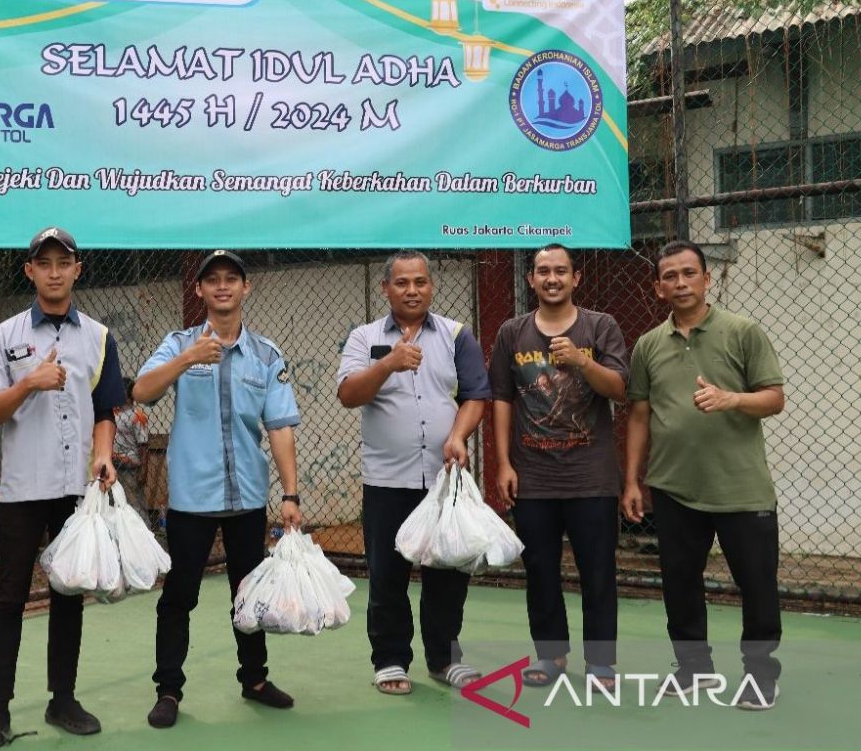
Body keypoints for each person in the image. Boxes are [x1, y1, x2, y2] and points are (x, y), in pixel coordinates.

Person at [0, 227, 126, 746]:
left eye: (65, 262)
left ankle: (63, 699)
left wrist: (102, 453)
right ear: (29, 271)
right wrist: (27, 383)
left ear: (78, 269)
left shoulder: (100, 336)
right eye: (45, 263)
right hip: (22, 487)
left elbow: (106, 410)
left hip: (74, 490)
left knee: (68, 592)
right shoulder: (4, 337)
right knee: (9, 597)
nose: (55, 272)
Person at [134, 249, 303, 729]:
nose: (223, 287)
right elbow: (142, 392)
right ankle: (168, 690)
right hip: (191, 499)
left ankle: (254, 679)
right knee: (179, 596)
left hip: (248, 497)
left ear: (245, 289)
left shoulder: (267, 355)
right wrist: (188, 359)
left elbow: (281, 426)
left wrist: (290, 495)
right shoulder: (179, 343)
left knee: (248, 594)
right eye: (214, 281)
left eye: (232, 279)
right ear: (200, 291)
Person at [622, 240, 786, 710]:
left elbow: (774, 398)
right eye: (670, 276)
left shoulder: (743, 332)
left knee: (757, 586)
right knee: (680, 583)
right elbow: (637, 414)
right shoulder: (648, 345)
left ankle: (759, 677)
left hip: (740, 487)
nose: (680, 283)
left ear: (706, 279)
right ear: (657, 288)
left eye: (689, 273)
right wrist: (632, 480)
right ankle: (694, 669)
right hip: (673, 487)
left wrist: (731, 399)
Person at [336, 249, 491, 696]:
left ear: (431, 286)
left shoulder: (456, 335)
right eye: (401, 283)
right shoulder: (364, 338)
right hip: (387, 480)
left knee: (449, 573)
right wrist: (387, 363)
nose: (412, 290)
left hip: (445, 480)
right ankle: (390, 660)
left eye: (420, 282)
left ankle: (443, 659)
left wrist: (459, 435)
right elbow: (348, 394)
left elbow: (477, 395)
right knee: (387, 575)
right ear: (385, 288)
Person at [488, 244, 628, 688]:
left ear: (576, 278)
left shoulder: (600, 327)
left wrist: (582, 360)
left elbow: (620, 388)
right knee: (541, 572)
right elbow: (502, 399)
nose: (552, 278)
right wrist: (503, 463)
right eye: (543, 271)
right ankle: (552, 658)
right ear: (531, 279)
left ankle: (601, 663)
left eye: (561, 271)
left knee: (598, 573)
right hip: (534, 476)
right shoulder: (512, 333)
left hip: (591, 475)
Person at [112, 377, 150, 517]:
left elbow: (144, 445)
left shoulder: (137, 416)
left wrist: (143, 471)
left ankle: (143, 530)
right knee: (115, 502)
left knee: (134, 503)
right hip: (113, 463)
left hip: (130, 465)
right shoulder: (114, 413)